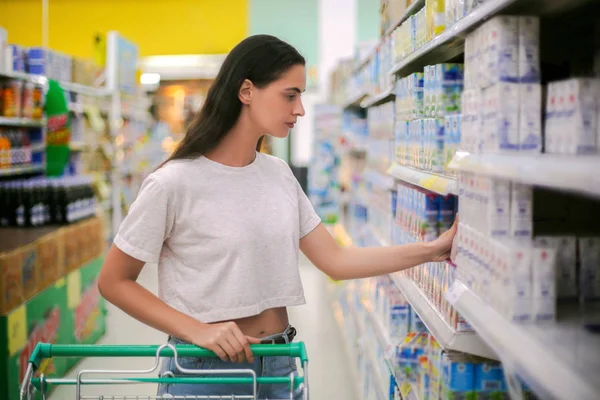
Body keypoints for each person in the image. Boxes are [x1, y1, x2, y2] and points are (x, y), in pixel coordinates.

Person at [98, 34, 457, 399]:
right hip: (208, 368)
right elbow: (114, 282)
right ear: (247, 91)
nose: (300, 109)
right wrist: (196, 330)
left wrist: (433, 249)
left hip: (280, 362)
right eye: (291, 94)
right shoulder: (173, 183)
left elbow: (336, 260)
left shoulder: (279, 174)